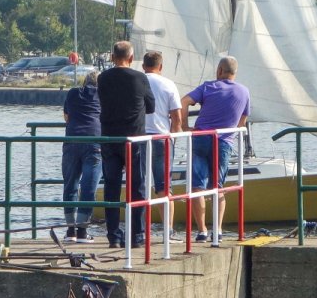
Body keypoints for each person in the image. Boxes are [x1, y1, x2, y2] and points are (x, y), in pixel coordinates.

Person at [181, 55, 251, 245]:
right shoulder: (244, 92)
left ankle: (202, 231)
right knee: (218, 187)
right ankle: (218, 230)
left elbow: (184, 101)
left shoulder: (207, 87)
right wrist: (230, 133)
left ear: (219, 71)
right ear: (234, 73)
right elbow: (242, 122)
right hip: (224, 142)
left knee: (197, 186)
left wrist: (185, 127)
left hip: (201, 138)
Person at [96, 40, 155, 248]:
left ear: (112, 57)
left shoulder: (102, 78)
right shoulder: (140, 77)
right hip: (133, 140)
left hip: (109, 139)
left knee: (111, 187)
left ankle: (113, 235)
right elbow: (150, 107)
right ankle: (137, 235)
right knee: (137, 187)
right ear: (131, 58)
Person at [141, 50, 186, 237]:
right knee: (164, 186)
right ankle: (168, 229)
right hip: (162, 138)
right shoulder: (168, 84)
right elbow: (177, 116)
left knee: (140, 184)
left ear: (143, 66)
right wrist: (175, 135)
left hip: (140, 138)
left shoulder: (138, 82)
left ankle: (141, 229)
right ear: (161, 66)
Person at [60, 71, 101, 243]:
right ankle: (83, 231)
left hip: (72, 141)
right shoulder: (103, 95)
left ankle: (71, 231)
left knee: (70, 185)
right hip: (94, 142)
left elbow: (66, 117)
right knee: (88, 187)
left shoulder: (72, 93)